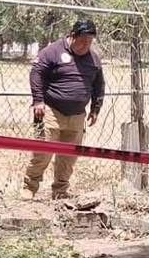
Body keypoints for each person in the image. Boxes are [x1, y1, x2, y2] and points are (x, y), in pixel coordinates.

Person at [23, 19, 105, 200]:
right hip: (51, 111)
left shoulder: (93, 59)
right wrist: (38, 101)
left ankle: (60, 191)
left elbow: (99, 84)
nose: (86, 45)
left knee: (68, 157)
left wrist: (95, 109)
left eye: (90, 41)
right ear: (72, 36)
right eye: (82, 41)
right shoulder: (53, 51)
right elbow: (36, 73)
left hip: (77, 116)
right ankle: (29, 187)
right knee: (43, 152)